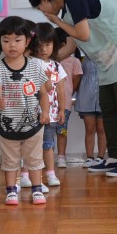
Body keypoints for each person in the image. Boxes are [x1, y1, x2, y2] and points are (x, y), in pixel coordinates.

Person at [30, 0, 117, 177]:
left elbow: (84, 35)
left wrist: (57, 22)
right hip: (107, 58)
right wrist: (43, 65)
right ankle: (114, 157)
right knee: (108, 107)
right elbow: (71, 45)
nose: (43, 11)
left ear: (45, 0)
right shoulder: (68, 10)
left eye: (40, 7)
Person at [0, 16, 50, 205]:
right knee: (10, 159)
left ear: (27, 41)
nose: (11, 45)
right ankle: (11, 190)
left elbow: (44, 93)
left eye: (17, 40)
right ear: (0, 41)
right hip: (7, 125)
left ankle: (37, 189)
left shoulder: (35, 66)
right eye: (6, 41)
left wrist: (45, 112)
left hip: (33, 123)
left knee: (34, 158)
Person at [34, 22, 67, 186]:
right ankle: (27, 176)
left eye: (47, 45)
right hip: (33, 115)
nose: (43, 49)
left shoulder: (56, 66)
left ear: (54, 45)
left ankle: (51, 174)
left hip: (51, 115)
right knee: (31, 148)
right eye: (39, 45)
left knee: (48, 145)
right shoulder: (31, 64)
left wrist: (62, 110)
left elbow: (61, 90)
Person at [55, 27, 83, 169]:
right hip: (47, 105)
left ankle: (61, 157)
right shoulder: (49, 61)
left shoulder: (74, 62)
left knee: (62, 131)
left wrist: (69, 92)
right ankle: (42, 156)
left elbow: (76, 80)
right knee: (45, 133)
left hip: (64, 104)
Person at [76, 51, 106, 169]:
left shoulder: (107, 55)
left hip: (103, 96)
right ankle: (89, 157)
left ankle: (101, 157)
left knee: (101, 129)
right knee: (89, 128)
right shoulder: (83, 58)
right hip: (86, 97)